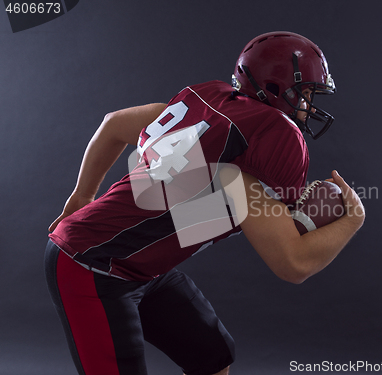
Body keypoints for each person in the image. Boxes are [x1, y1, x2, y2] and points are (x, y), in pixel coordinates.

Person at [45, 31, 365, 375]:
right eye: (304, 93)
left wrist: (82, 195)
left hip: (137, 263)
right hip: (90, 263)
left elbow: (113, 125)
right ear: (275, 89)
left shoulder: (208, 106)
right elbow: (293, 264)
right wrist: (353, 219)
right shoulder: (253, 155)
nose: (308, 105)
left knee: (212, 357)